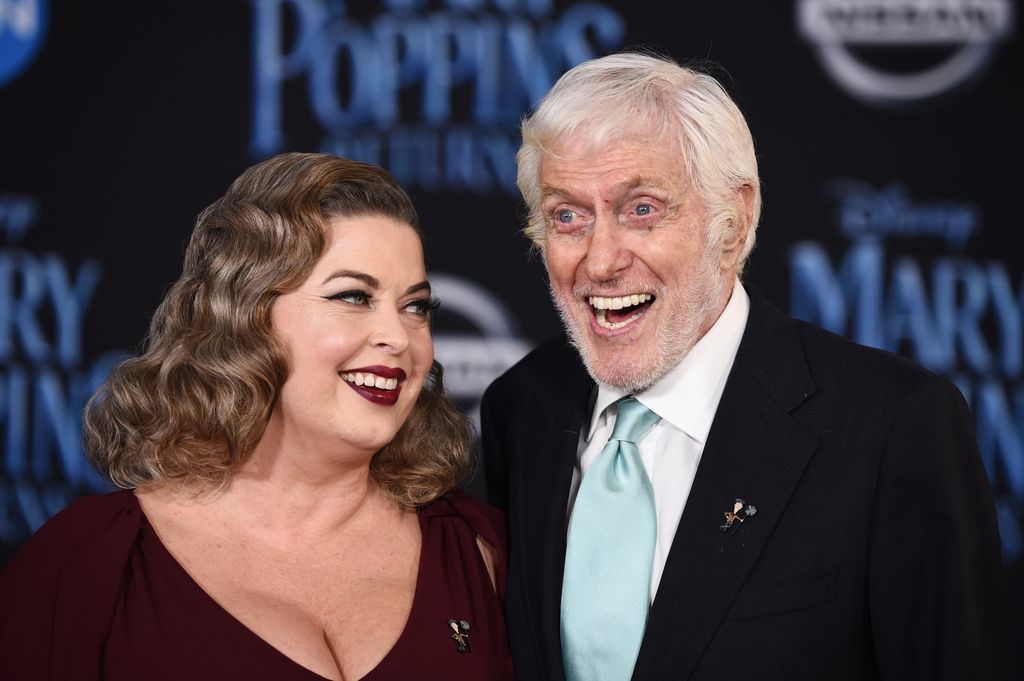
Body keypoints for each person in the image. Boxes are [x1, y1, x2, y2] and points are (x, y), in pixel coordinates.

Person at [480, 51, 1008, 681]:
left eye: (641, 209)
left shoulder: (892, 425)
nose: (599, 262)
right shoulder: (521, 408)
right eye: (568, 216)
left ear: (733, 223)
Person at [0, 152, 514, 681]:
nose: (399, 337)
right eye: (354, 297)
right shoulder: (89, 563)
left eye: (416, 306)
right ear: (247, 316)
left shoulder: (482, 552)